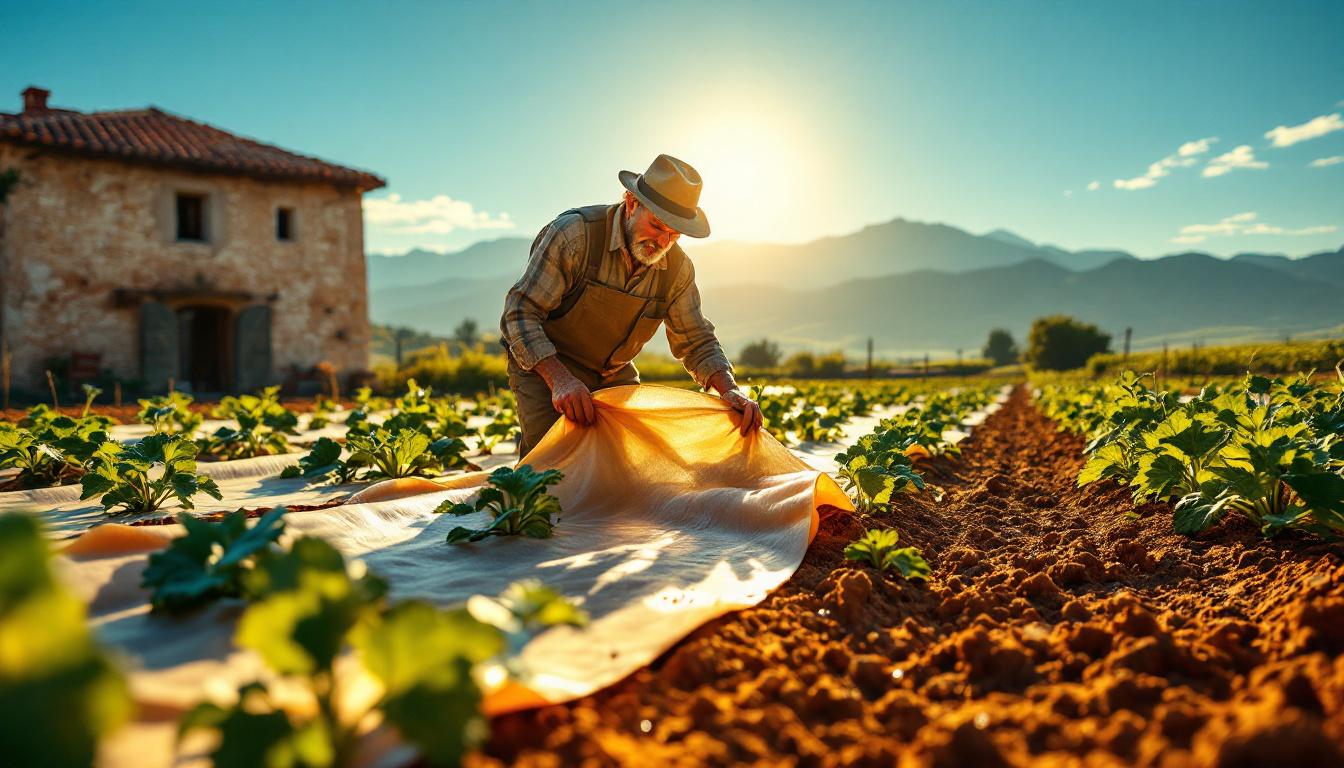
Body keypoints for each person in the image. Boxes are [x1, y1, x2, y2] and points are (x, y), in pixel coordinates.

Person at [499, 153, 763, 457]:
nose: (662, 242)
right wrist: (560, 380)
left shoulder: (678, 269)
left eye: (673, 236)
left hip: (614, 375)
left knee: (626, 470)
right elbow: (519, 314)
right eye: (656, 226)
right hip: (546, 367)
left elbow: (696, 340)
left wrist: (728, 388)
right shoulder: (575, 236)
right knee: (549, 471)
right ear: (631, 202)